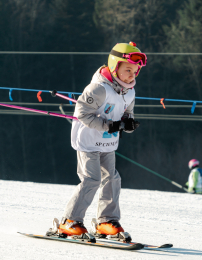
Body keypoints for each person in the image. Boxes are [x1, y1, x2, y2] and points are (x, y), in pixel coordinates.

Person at [50, 42, 147, 242]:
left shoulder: (129, 91)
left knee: (112, 179)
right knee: (91, 179)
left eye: (135, 71)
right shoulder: (98, 88)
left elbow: (127, 113)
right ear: (114, 66)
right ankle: (70, 221)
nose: (132, 75)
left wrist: (127, 124)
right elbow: (82, 115)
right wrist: (109, 126)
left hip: (108, 144)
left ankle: (106, 221)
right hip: (88, 141)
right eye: (128, 69)